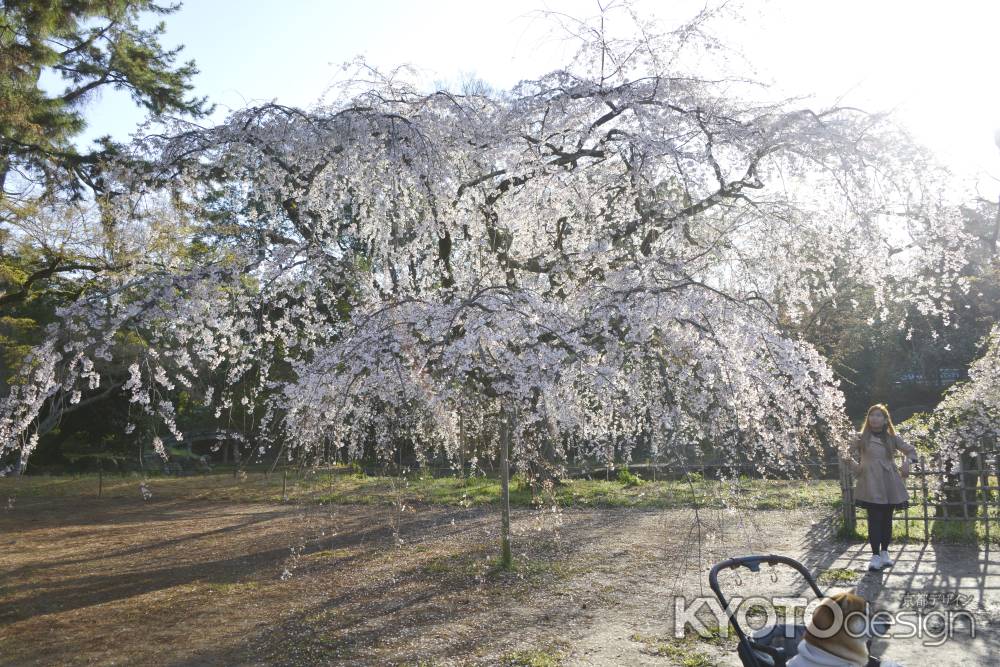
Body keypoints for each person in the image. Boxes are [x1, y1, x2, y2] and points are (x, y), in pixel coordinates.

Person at [843, 404, 919, 572]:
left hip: (889, 481)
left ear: (885, 420)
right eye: (872, 415)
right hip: (870, 482)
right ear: (868, 418)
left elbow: (912, 452)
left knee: (886, 519)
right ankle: (875, 556)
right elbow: (845, 454)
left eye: (879, 415)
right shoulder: (860, 437)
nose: (874, 418)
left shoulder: (892, 438)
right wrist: (858, 468)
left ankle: (885, 553)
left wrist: (907, 462)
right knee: (874, 518)